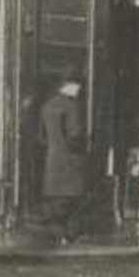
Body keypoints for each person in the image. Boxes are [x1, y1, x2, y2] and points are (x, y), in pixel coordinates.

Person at [38, 74, 87, 244]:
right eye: (79, 86)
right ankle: (67, 236)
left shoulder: (47, 106)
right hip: (69, 164)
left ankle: (58, 235)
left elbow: (41, 138)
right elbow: (75, 136)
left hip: (52, 163)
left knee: (54, 204)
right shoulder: (72, 106)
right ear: (71, 86)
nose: (80, 90)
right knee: (73, 203)